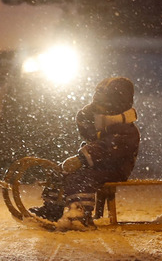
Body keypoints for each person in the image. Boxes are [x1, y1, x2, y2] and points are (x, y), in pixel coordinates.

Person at [31, 76, 140, 230]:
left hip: (115, 169)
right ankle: (52, 209)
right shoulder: (101, 122)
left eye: (103, 104)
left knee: (81, 178)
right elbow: (87, 130)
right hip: (96, 164)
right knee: (60, 171)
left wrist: (82, 158)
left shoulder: (125, 129)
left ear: (115, 105)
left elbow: (108, 149)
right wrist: (86, 115)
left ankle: (80, 213)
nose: (98, 108)